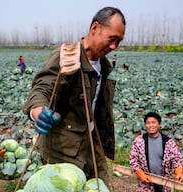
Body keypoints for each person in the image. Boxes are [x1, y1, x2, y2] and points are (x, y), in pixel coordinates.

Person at [22, 7, 126, 183]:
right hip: (64, 150)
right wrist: (38, 112)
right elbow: (42, 88)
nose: (114, 46)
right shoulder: (67, 57)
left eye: (119, 41)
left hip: (92, 144)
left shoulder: (103, 64)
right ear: (95, 28)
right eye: (112, 39)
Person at [128, 112, 183, 192]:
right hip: (146, 178)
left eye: (153, 122)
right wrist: (141, 174)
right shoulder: (139, 141)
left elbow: (177, 159)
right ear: (145, 125)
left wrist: (179, 173)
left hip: (163, 179)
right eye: (148, 123)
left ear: (159, 124)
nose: (150, 125)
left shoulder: (168, 142)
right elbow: (133, 160)